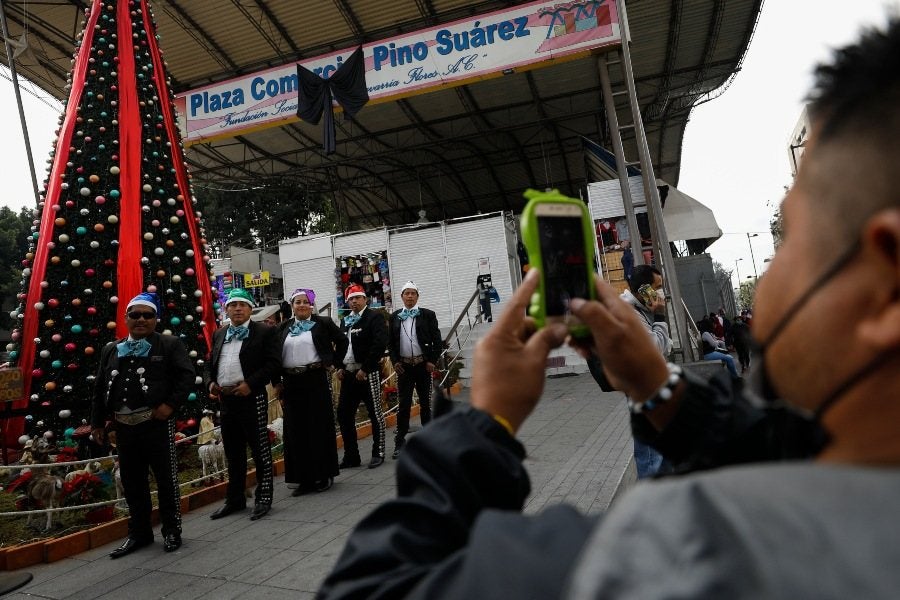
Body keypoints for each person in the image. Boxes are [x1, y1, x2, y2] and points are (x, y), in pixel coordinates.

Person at [319, 19, 900, 598]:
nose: (768, 280)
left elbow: (366, 586)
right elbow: (780, 448)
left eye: (792, 236)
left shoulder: (680, 555)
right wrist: (657, 386)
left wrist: (485, 423)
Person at [90, 292, 195, 558]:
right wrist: (98, 422)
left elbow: (186, 376)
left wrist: (170, 406)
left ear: (155, 319)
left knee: (165, 480)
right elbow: (100, 386)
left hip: (155, 425)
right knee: (132, 482)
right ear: (125, 318)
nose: (140, 320)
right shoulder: (110, 349)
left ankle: (172, 530)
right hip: (124, 428)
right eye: (134, 315)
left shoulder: (169, 344)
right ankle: (139, 533)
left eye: (147, 315)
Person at [208, 288, 281, 521]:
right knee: (233, 452)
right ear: (226, 309)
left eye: (242, 304)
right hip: (226, 400)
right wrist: (210, 383)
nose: (237, 309)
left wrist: (250, 383)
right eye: (233, 305)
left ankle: (264, 497)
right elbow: (211, 363)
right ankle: (235, 499)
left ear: (250, 309)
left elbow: (273, 363)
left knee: (260, 449)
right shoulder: (219, 333)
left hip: (252, 397)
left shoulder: (264, 332)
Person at [275, 288, 348, 495]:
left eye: (305, 302)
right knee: (295, 430)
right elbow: (273, 355)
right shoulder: (283, 328)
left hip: (314, 378)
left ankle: (324, 474)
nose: (301, 305)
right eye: (297, 302)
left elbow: (342, 341)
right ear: (292, 306)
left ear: (312, 305)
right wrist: (276, 381)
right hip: (291, 381)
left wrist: (333, 362)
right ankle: (303, 478)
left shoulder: (322, 323)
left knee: (319, 427)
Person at [619, 264, 672, 478]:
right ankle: (653, 503)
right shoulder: (628, 313)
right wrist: (659, 316)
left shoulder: (641, 310)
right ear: (643, 290)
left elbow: (665, 345)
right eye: (657, 287)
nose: (661, 292)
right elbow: (654, 349)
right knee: (651, 454)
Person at [336, 284, 389, 469]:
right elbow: (341, 346)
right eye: (351, 299)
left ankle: (378, 451)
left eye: (357, 298)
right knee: (343, 414)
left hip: (368, 374)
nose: (354, 301)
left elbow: (379, 344)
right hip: (349, 374)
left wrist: (365, 368)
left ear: (365, 299)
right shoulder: (345, 321)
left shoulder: (374, 317)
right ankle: (352, 455)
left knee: (375, 413)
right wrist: (339, 366)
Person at [388, 281, 443, 459]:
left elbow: (436, 340)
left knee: (425, 404)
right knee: (403, 405)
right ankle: (400, 442)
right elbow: (391, 342)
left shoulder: (428, 315)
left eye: (413, 293)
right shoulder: (395, 316)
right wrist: (395, 361)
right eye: (407, 293)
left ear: (417, 296)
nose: (410, 296)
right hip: (404, 367)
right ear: (402, 296)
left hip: (422, 365)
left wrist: (432, 361)